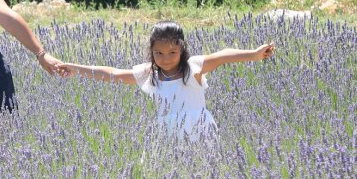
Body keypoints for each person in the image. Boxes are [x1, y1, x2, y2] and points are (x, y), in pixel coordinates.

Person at [60, 21, 275, 140]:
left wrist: (254, 54)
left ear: (182, 49)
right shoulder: (150, 74)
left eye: (172, 52)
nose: (166, 59)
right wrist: (75, 68)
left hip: (199, 130)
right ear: (151, 52)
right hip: (167, 134)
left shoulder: (193, 68)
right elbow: (113, 74)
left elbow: (223, 55)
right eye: (158, 53)